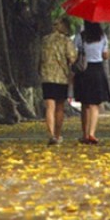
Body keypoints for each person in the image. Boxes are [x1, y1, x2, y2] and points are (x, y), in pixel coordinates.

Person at [73, 20, 110, 144]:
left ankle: (84, 134)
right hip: (97, 71)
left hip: (84, 71)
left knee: (85, 104)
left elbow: (74, 55)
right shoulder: (102, 36)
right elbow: (105, 55)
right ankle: (92, 134)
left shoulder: (80, 37)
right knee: (95, 104)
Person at [39, 16, 77, 145]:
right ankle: (58, 134)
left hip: (47, 76)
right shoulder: (66, 41)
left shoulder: (45, 40)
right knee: (60, 107)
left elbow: (40, 57)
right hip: (61, 78)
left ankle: (50, 135)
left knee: (49, 106)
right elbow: (72, 59)